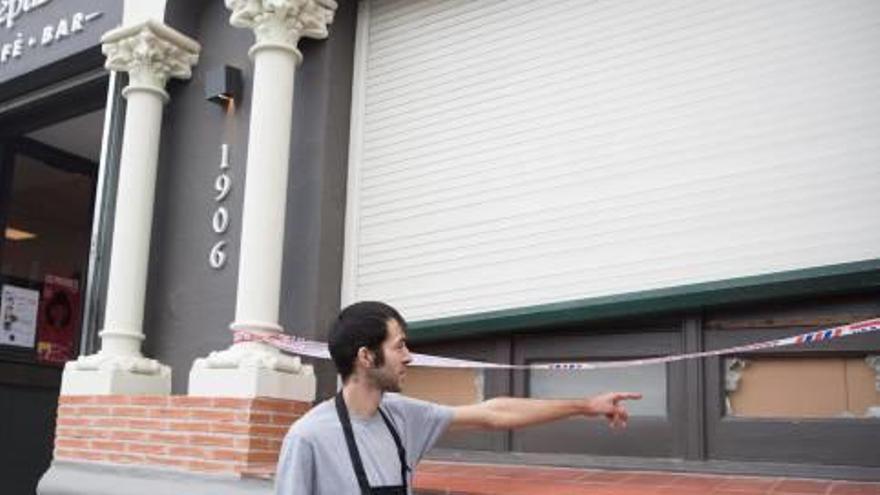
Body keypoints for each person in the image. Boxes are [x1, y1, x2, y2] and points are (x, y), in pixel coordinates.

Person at [275, 301, 642, 495]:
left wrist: (585, 406)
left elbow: (494, 413)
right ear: (366, 357)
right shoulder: (307, 438)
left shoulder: (401, 417)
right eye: (399, 345)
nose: (409, 356)